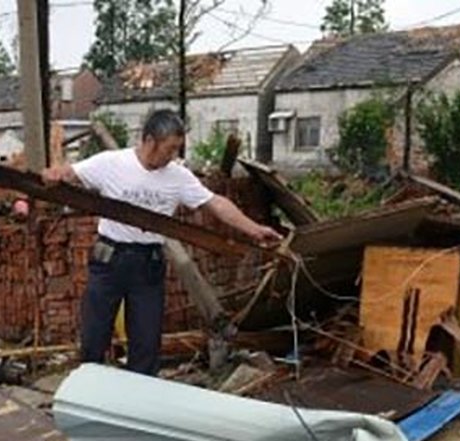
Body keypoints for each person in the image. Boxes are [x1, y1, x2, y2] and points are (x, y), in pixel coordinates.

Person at [42, 109, 282, 377]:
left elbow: (216, 203)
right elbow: (71, 173)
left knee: (146, 344)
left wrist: (255, 229)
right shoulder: (111, 163)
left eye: (177, 149)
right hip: (110, 261)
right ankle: (89, 395)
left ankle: (140, 402)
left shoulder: (177, 176)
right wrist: (54, 175)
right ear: (149, 141)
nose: (173, 156)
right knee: (94, 337)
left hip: (148, 266)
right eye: (169, 149)